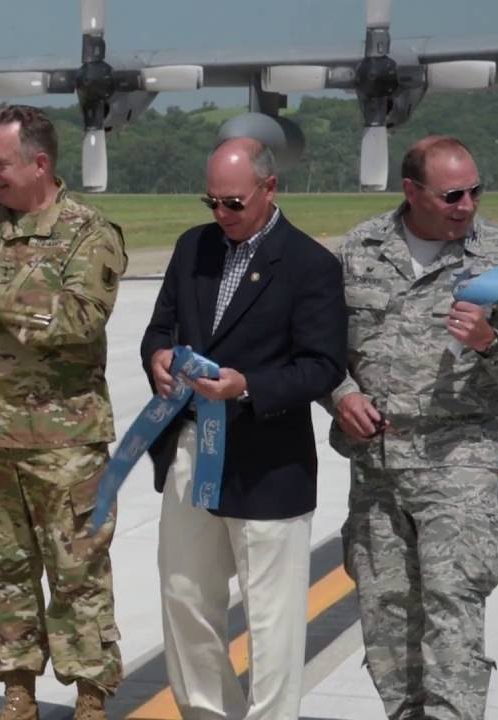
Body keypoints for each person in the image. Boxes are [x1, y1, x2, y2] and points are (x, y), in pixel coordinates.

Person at [0, 104, 127, 720]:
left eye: (1, 163)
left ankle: (91, 695)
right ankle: (17, 689)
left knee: (78, 570)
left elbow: (79, 318)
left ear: (39, 163)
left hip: (65, 439)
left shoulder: (89, 233)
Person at [139, 137, 346, 719]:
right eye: (212, 202)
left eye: (233, 203)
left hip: (266, 463)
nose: (221, 215)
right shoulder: (192, 248)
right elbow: (161, 327)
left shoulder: (310, 264)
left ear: (270, 188)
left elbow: (322, 366)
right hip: (190, 455)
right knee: (185, 598)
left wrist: (247, 386)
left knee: (271, 620)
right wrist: (157, 357)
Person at [328, 135, 498, 720]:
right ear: (411, 191)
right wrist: (341, 395)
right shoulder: (360, 250)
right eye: (452, 194)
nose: (466, 205)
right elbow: (322, 350)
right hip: (377, 466)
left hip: (460, 459)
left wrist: (491, 344)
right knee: (387, 619)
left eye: (475, 191)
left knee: (452, 609)